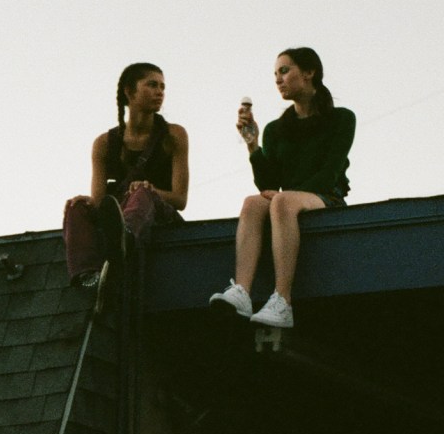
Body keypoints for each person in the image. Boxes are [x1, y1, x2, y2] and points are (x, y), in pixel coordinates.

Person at [207, 47, 355, 328]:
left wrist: (284, 196)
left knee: (282, 202)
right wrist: (252, 143)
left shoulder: (342, 119)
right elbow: (267, 185)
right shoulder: (276, 129)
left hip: (326, 197)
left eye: (284, 71)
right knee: (252, 202)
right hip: (286, 201)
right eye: (275, 74)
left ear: (309, 72)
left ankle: (283, 300)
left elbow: (329, 174)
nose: (278, 79)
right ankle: (242, 291)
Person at [63, 62, 190, 284]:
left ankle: (126, 238)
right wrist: (88, 202)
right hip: (119, 210)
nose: (160, 92)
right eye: (152, 85)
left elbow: (180, 200)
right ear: (129, 91)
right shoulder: (104, 143)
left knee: (141, 192)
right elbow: (101, 201)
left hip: (160, 216)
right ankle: (88, 275)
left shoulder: (174, 135)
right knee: (76, 206)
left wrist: (150, 190)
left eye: (162, 86)